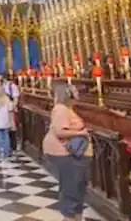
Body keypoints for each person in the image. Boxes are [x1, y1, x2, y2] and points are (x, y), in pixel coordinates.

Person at [43, 83, 92, 220]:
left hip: (71, 154)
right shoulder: (61, 109)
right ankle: (70, 216)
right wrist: (81, 133)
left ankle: (76, 216)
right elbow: (59, 132)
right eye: (75, 91)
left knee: (77, 187)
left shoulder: (66, 109)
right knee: (71, 188)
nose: (78, 94)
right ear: (68, 94)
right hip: (64, 153)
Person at [3, 77, 21, 151]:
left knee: (12, 127)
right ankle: (6, 144)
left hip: (10, 109)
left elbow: (15, 99)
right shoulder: (0, 86)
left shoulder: (12, 86)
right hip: (3, 109)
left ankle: (12, 145)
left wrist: (12, 107)